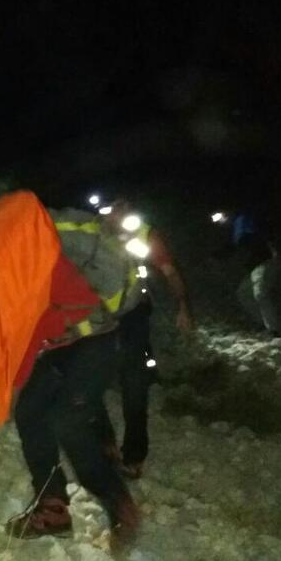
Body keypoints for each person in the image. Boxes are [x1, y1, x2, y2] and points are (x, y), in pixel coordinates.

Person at [6, 204, 141, 545]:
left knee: (68, 422)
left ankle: (121, 510)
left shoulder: (41, 256)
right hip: (62, 345)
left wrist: (11, 385)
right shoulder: (17, 266)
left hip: (95, 342)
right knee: (30, 412)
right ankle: (52, 508)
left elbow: (39, 325)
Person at [98, 200, 193, 479]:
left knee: (133, 382)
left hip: (134, 312)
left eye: (121, 208)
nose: (115, 214)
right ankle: (104, 444)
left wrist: (183, 306)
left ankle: (134, 454)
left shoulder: (145, 235)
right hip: (98, 314)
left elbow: (169, 271)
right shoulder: (94, 231)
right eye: (111, 209)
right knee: (90, 378)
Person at [231, 210, 281, 337]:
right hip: (255, 267)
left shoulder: (252, 236)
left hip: (265, 262)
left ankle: (273, 330)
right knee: (243, 293)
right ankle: (263, 324)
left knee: (260, 293)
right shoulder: (239, 239)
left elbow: (263, 252)